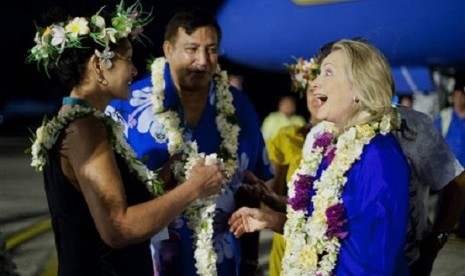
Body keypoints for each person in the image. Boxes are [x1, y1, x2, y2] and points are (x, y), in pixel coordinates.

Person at [26, 2, 224, 275]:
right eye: (127, 58)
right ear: (98, 64)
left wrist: (166, 176)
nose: (133, 71)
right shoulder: (84, 129)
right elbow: (118, 228)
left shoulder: (81, 120)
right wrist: (194, 187)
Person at [107, 9, 273, 276]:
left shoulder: (240, 107)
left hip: (225, 263)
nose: (203, 60)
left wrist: (252, 261)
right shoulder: (128, 105)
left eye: (211, 50)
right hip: (147, 262)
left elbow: (255, 186)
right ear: (168, 49)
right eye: (192, 49)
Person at [229, 39, 411, 275]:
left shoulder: (379, 157)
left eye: (328, 73)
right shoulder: (331, 146)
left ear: (359, 88)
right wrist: (271, 218)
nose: (314, 83)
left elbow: (378, 260)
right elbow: (319, 229)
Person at [394, 105, 465, 275]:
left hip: (410, 260)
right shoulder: (327, 129)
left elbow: (458, 181)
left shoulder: (413, 124)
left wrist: (438, 237)